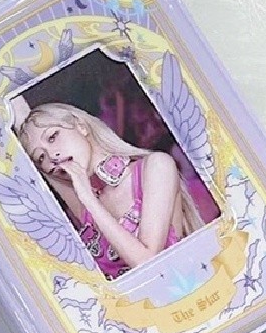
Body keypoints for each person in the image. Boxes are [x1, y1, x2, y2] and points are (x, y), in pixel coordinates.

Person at [16, 102, 203, 279]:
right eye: (41, 157)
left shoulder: (156, 166)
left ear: (80, 126)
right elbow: (16, 114)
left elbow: (148, 262)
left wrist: (88, 199)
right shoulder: (82, 199)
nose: (52, 156)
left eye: (52, 137)